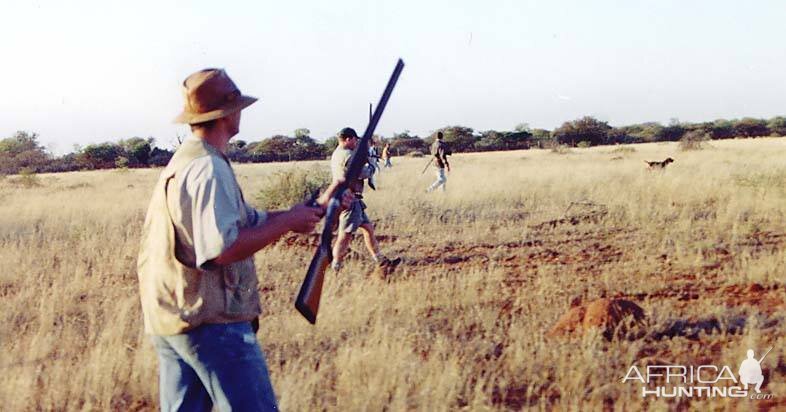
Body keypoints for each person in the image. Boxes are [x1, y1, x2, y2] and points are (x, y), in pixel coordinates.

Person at [137, 68, 347, 411]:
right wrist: (289, 222)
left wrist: (304, 213)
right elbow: (222, 249)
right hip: (211, 323)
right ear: (227, 114)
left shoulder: (190, 160)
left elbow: (248, 221)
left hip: (174, 319)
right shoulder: (207, 167)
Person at [330, 127, 400, 273]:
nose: (357, 142)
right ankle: (335, 266)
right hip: (350, 199)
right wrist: (372, 164)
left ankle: (381, 261)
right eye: (355, 139)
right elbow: (363, 173)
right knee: (345, 235)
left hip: (352, 199)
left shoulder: (338, 153)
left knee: (368, 228)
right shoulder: (348, 155)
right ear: (348, 139)